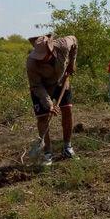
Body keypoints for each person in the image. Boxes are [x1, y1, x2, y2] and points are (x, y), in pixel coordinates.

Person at [26, 33, 77, 166]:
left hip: (61, 82)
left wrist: (72, 62)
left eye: (43, 56)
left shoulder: (63, 45)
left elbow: (75, 41)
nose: (40, 59)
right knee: (43, 118)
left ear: (51, 50)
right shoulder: (31, 63)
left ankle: (67, 147)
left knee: (67, 111)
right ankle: (47, 153)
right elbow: (36, 86)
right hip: (42, 87)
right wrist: (49, 105)